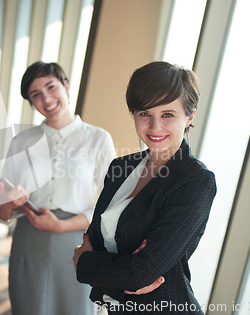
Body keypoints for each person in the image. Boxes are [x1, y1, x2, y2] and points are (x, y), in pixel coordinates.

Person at [73, 61, 217, 314]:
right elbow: (97, 240)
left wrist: (84, 263)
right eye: (145, 114)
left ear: (190, 116)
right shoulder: (122, 167)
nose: (154, 127)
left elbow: (140, 273)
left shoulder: (195, 180)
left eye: (168, 115)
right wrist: (124, 273)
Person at [0, 61, 117, 315]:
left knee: (76, 309)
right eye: (35, 95)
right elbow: (1, 213)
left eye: (51, 87)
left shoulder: (97, 138)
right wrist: (10, 202)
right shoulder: (22, 142)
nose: (46, 98)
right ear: (31, 103)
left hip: (80, 241)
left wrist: (62, 226)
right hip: (29, 239)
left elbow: (110, 206)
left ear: (66, 86)